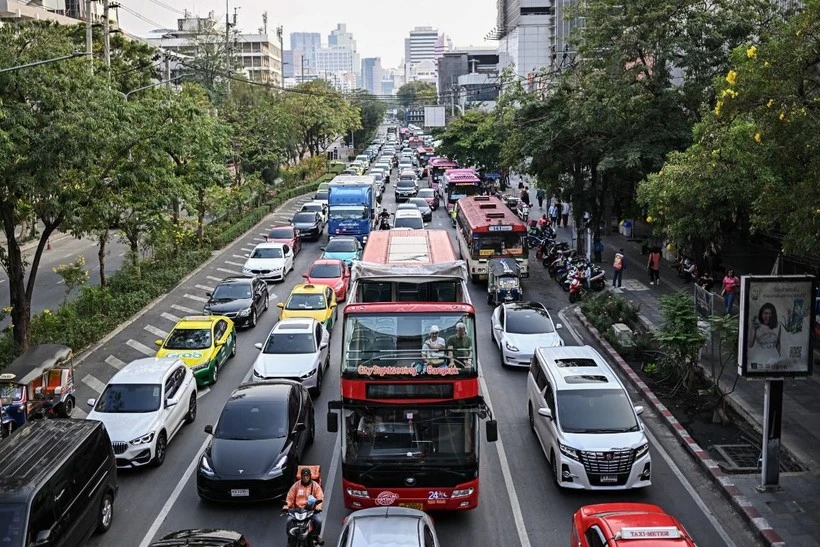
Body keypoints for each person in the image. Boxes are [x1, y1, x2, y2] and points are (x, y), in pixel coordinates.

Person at [283, 468, 324, 544]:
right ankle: (290, 538)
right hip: (297, 511)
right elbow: (289, 498)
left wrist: (318, 507)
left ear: (310, 476)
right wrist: (286, 507)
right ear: (301, 476)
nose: (305, 478)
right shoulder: (296, 486)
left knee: (318, 521)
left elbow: (320, 497)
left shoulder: (315, 486)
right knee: (288, 521)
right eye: (304, 476)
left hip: (310, 511)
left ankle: (315, 536)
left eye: (307, 476)